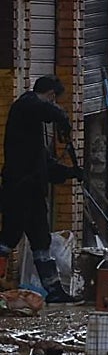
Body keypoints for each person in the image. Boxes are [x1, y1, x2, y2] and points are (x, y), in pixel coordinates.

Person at [0, 76, 85, 303]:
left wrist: (70, 172)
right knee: (8, 239)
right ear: (51, 95)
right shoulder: (25, 106)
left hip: (33, 194)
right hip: (18, 191)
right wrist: (62, 118)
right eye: (53, 100)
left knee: (41, 243)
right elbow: (45, 110)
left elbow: (45, 164)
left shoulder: (33, 129)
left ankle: (54, 291)